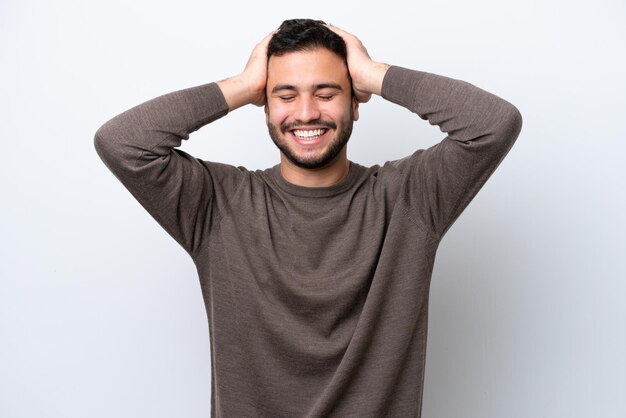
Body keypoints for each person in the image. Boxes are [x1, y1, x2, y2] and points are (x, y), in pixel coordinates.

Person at [94, 19, 522, 418]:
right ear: (264, 107)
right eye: (285, 95)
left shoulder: (410, 198)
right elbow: (123, 143)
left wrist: (374, 74)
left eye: (326, 92)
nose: (305, 113)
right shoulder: (216, 204)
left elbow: (492, 124)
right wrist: (243, 85)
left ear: (356, 103)